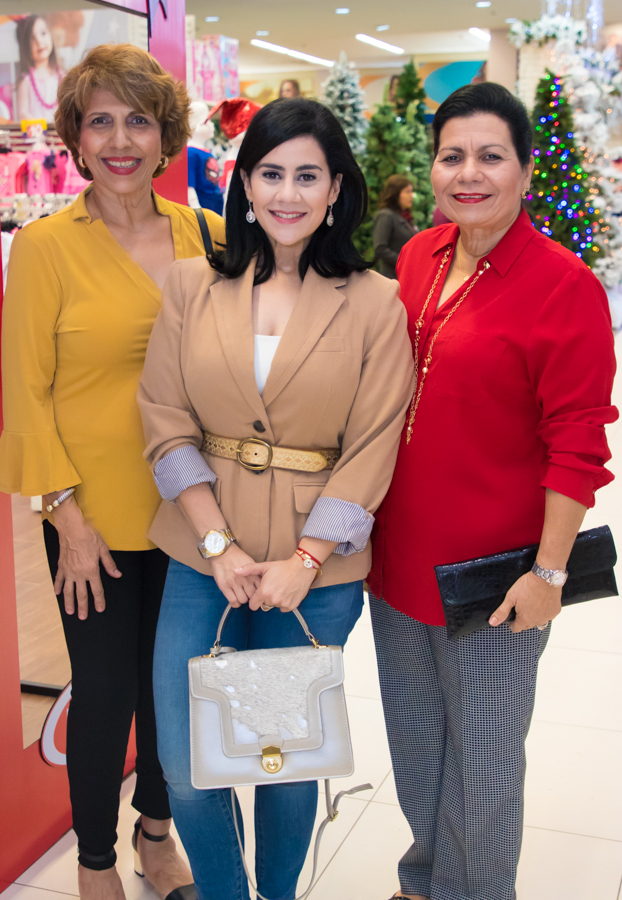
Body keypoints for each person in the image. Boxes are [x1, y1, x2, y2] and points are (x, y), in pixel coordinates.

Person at [137, 97, 414, 900]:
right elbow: (163, 417)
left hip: (314, 574)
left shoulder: (375, 300)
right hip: (201, 557)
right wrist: (216, 545)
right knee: (187, 764)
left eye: (308, 176)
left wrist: (307, 557)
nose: (288, 194)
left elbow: (374, 441)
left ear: (336, 189)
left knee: (286, 761)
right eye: (271, 174)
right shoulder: (191, 285)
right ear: (246, 186)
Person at [367, 82, 618, 900]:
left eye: (490, 157)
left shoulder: (563, 285)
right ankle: (423, 878)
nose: (468, 174)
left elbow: (578, 446)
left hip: (497, 579)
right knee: (417, 745)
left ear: (526, 169)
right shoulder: (419, 256)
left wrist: (548, 573)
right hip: (397, 560)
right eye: (452, 156)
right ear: (432, 167)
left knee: (484, 763)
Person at [0, 43, 225, 900]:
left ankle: (156, 836)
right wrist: (65, 517)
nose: (122, 140)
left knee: (177, 691)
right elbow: (26, 392)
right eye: (101, 121)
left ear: (167, 134)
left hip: (196, 511)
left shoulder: (205, 235)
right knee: (104, 691)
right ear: (76, 138)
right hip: (90, 515)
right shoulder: (45, 247)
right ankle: (94, 864)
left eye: (139, 120)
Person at [16, 16, 64, 122]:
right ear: (25, 46)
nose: (39, 41)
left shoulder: (61, 76)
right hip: (35, 131)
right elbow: (23, 113)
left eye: (43, 33)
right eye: (32, 38)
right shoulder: (26, 81)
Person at [372, 175, 418, 279]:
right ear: (396, 194)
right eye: (407, 192)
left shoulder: (406, 218)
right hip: (393, 278)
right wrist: (406, 262)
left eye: (411, 192)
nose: (411, 196)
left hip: (408, 277)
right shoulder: (385, 215)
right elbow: (380, 249)